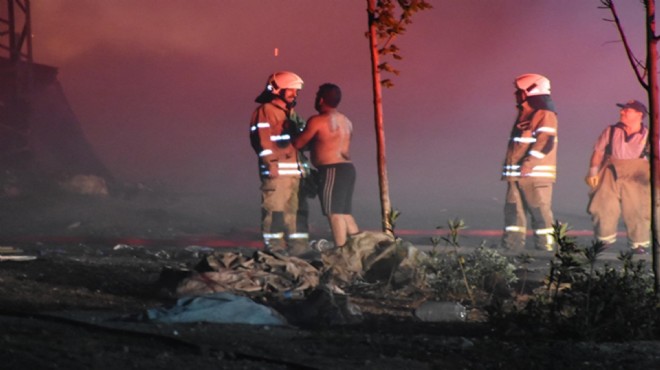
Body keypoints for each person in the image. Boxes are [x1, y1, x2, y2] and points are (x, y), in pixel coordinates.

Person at [249, 71, 313, 255]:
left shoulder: (291, 113)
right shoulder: (265, 111)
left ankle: (299, 249)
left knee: (297, 214)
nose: (295, 94)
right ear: (277, 90)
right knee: (275, 212)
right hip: (277, 174)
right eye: (291, 90)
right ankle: (274, 248)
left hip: (295, 174)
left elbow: (302, 140)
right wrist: (271, 164)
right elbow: (262, 141)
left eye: (296, 91)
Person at [294, 83, 359, 248]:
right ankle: (358, 249)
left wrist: (290, 129)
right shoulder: (346, 121)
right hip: (347, 169)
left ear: (321, 99)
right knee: (345, 213)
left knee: (334, 213)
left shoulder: (317, 121)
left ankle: (341, 251)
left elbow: (299, 143)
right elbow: (326, 142)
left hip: (331, 169)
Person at [501, 73, 558, 252]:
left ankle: (546, 249)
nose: (516, 95)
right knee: (513, 214)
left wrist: (529, 163)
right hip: (516, 174)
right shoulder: (525, 114)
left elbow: (545, 142)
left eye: (519, 91)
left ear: (530, 91)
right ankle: (512, 248)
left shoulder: (544, 115)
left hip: (534, 175)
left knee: (540, 213)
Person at [585, 100, 650, 254]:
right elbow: (598, 152)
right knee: (603, 206)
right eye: (623, 110)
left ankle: (638, 244)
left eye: (627, 110)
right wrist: (593, 171)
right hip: (610, 171)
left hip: (637, 175)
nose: (622, 112)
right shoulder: (611, 131)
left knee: (638, 209)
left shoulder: (648, 135)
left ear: (639, 114)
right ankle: (604, 242)